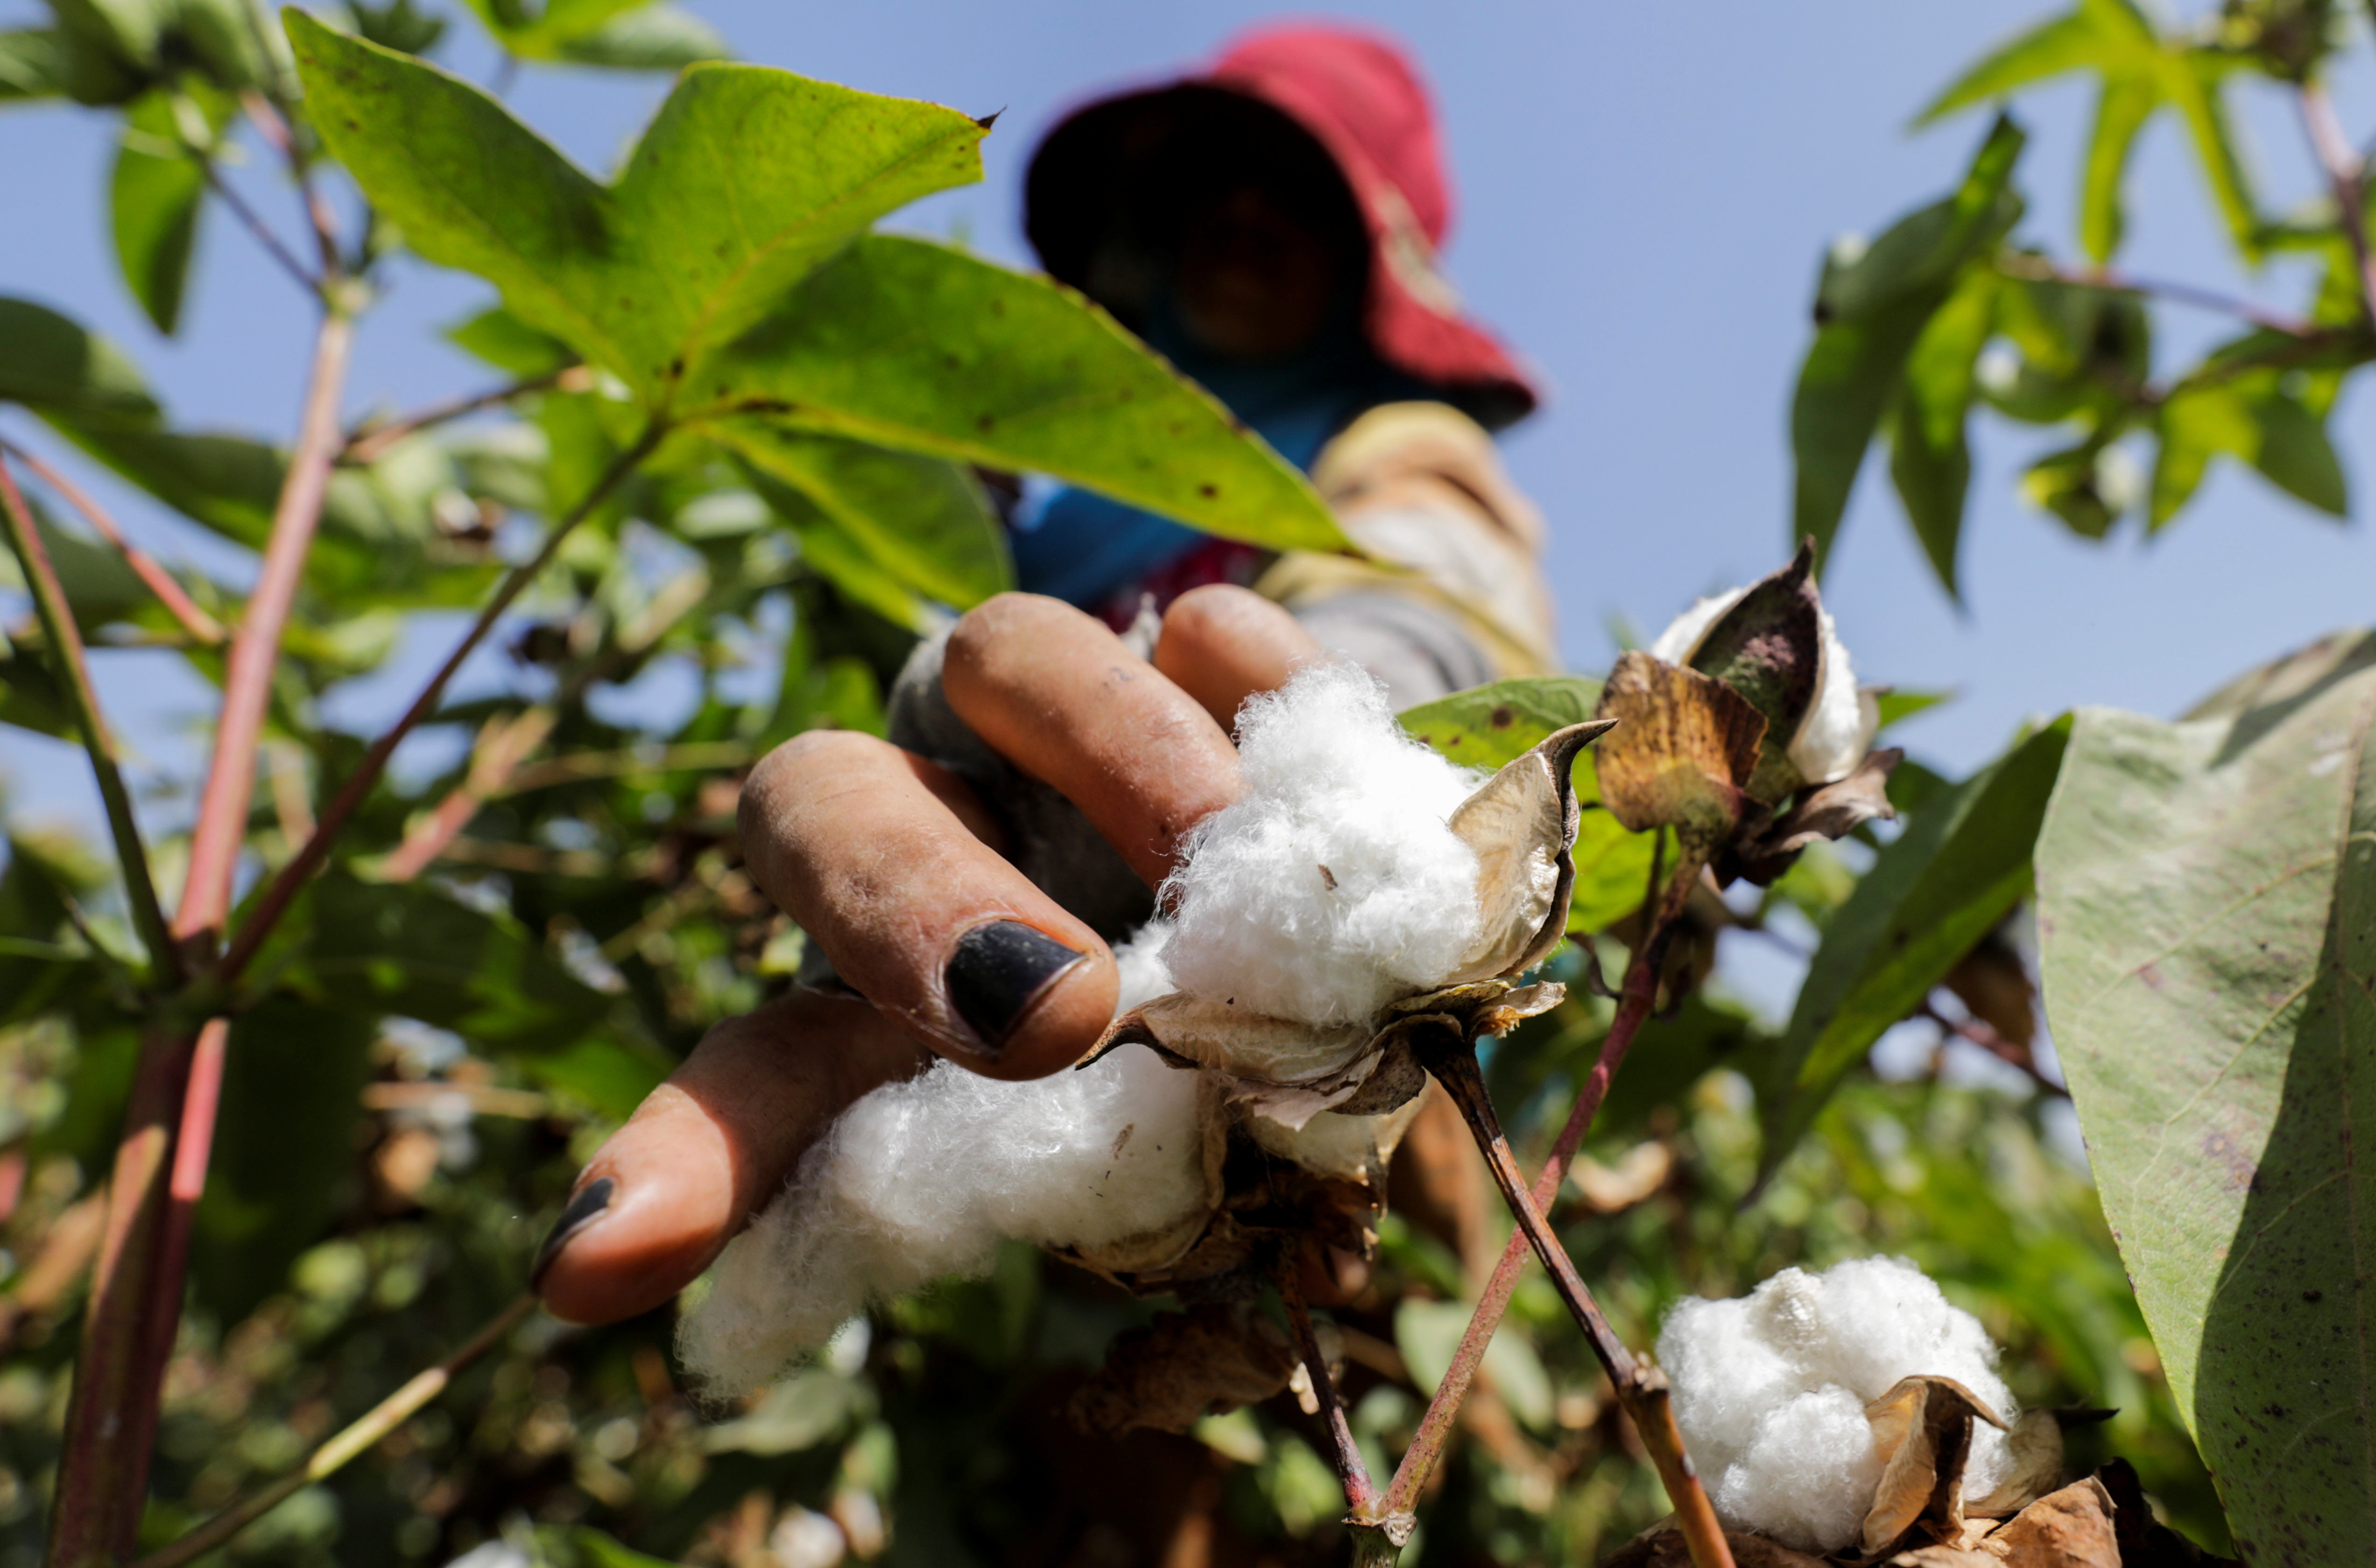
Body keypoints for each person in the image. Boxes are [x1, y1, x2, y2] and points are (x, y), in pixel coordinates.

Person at [534, 22, 1557, 1327]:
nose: (1242, 215)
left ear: (1368, 253)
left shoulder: (1401, 448)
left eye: (1290, 189)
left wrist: (1320, 762)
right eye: (1206, 182)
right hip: (1039, 1327)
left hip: (1362, 1261)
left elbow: (1423, 618)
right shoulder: (1048, 524)